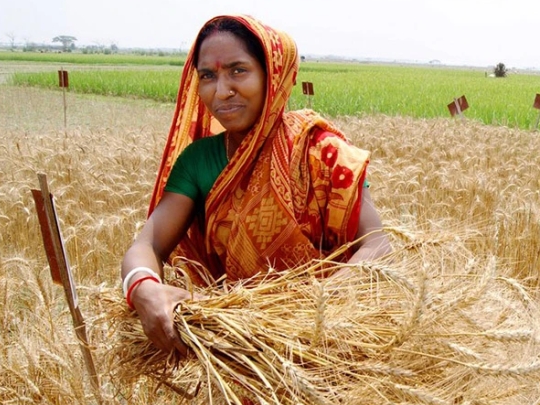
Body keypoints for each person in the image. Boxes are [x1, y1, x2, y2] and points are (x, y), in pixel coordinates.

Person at [121, 14, 391, 355]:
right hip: (244, 355)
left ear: (272, 76)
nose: (221, 91)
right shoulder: (198, 162)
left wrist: (301, 314)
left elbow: (378, 246)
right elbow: (148, 245)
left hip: (331, 347)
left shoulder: (321, 152)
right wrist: (142, 287)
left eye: (238, 70)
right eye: (208, 75)